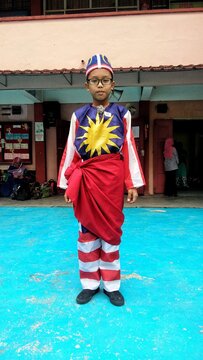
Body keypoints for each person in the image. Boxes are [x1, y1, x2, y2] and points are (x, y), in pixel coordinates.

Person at [57, 54, 145, 306]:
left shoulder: (122, 114)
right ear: (87, 86)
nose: (99, 85)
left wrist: (131, 183)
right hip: (86, 181)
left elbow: (127, 148)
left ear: (112, 84)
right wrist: (68, 182)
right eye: (94, 80)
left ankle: (111, 285)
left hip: (112, 182)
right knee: (86, 234)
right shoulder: (78, 116)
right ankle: (89, 284)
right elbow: (71, 150)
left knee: (110, 234)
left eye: (105, 80)